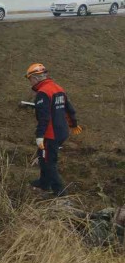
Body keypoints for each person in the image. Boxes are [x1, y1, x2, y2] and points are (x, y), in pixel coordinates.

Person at [25, 63, 82, 196]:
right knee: (43, 156)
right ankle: (44, 183)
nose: (30, 82)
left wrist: (40, 135)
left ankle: (60, 193)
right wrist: (73, 124)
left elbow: (43, 117)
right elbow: (69, 108)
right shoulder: (58, 88)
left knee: (48, 162)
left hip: (50, 134)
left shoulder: (43, 93)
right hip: (62, 131)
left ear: (35, 78)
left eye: (30, 79)